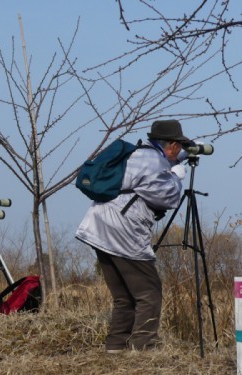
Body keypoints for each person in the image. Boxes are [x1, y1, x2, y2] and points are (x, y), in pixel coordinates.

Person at [75, 119, 189, 353]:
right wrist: (176, 176)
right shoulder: (153, 161)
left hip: (100, 226)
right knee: (149, 292)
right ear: (172, 145)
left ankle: (116, 345)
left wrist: (173, 163)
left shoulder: (139, 154)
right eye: (179, 146)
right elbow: (166, 197)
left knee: (124, 295)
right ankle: (143, 347)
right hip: (123, 231)